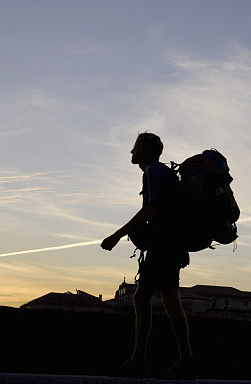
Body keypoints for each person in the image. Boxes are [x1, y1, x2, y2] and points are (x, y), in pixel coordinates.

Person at [101, 132, 196, 378]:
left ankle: (142, 360)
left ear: (146, 150)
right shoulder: (162, 173)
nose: (131, 152)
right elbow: (170, 211)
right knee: (158, 299)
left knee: (147, 299)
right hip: (169, 245)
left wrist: (116, 235)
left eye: (135, 147)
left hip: (162, 245)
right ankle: (181, 360)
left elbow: (149, 210)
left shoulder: (152, 172)